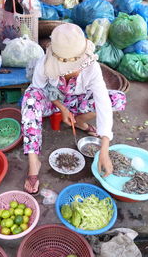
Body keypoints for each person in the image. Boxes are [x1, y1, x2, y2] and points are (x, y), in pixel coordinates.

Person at [21, 23, 126, 194]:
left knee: (117, 98)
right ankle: (34, 162)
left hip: (78, 102)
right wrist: (61, 108)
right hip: (53, 102)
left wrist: (104, 149)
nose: (76, 69)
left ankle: (79, 122)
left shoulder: (92, 68)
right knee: (30, 98)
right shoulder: (45, 63)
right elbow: (40, 88)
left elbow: (103, 103)